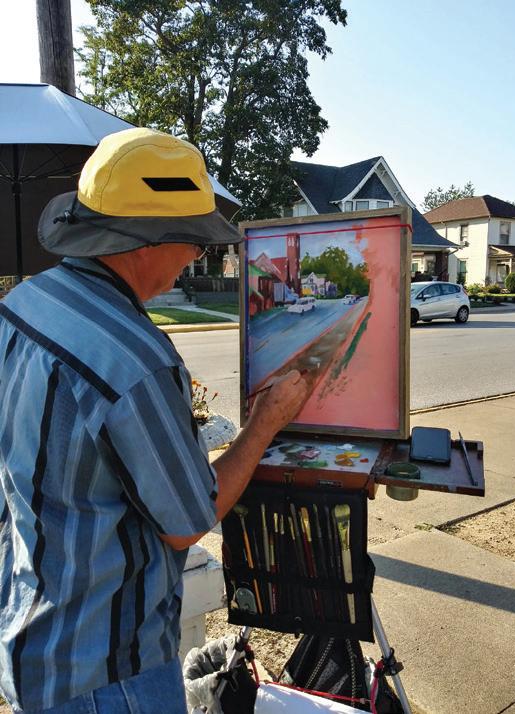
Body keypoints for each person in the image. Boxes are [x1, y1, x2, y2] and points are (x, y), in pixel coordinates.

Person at [0, 128, 309, 713]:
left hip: (29, 635)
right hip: (105, 669)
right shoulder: (136, 359)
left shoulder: (22, 306)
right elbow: (188, 520)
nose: (197, 255)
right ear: (144, 241)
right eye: (192, 239)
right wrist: (265, 424)